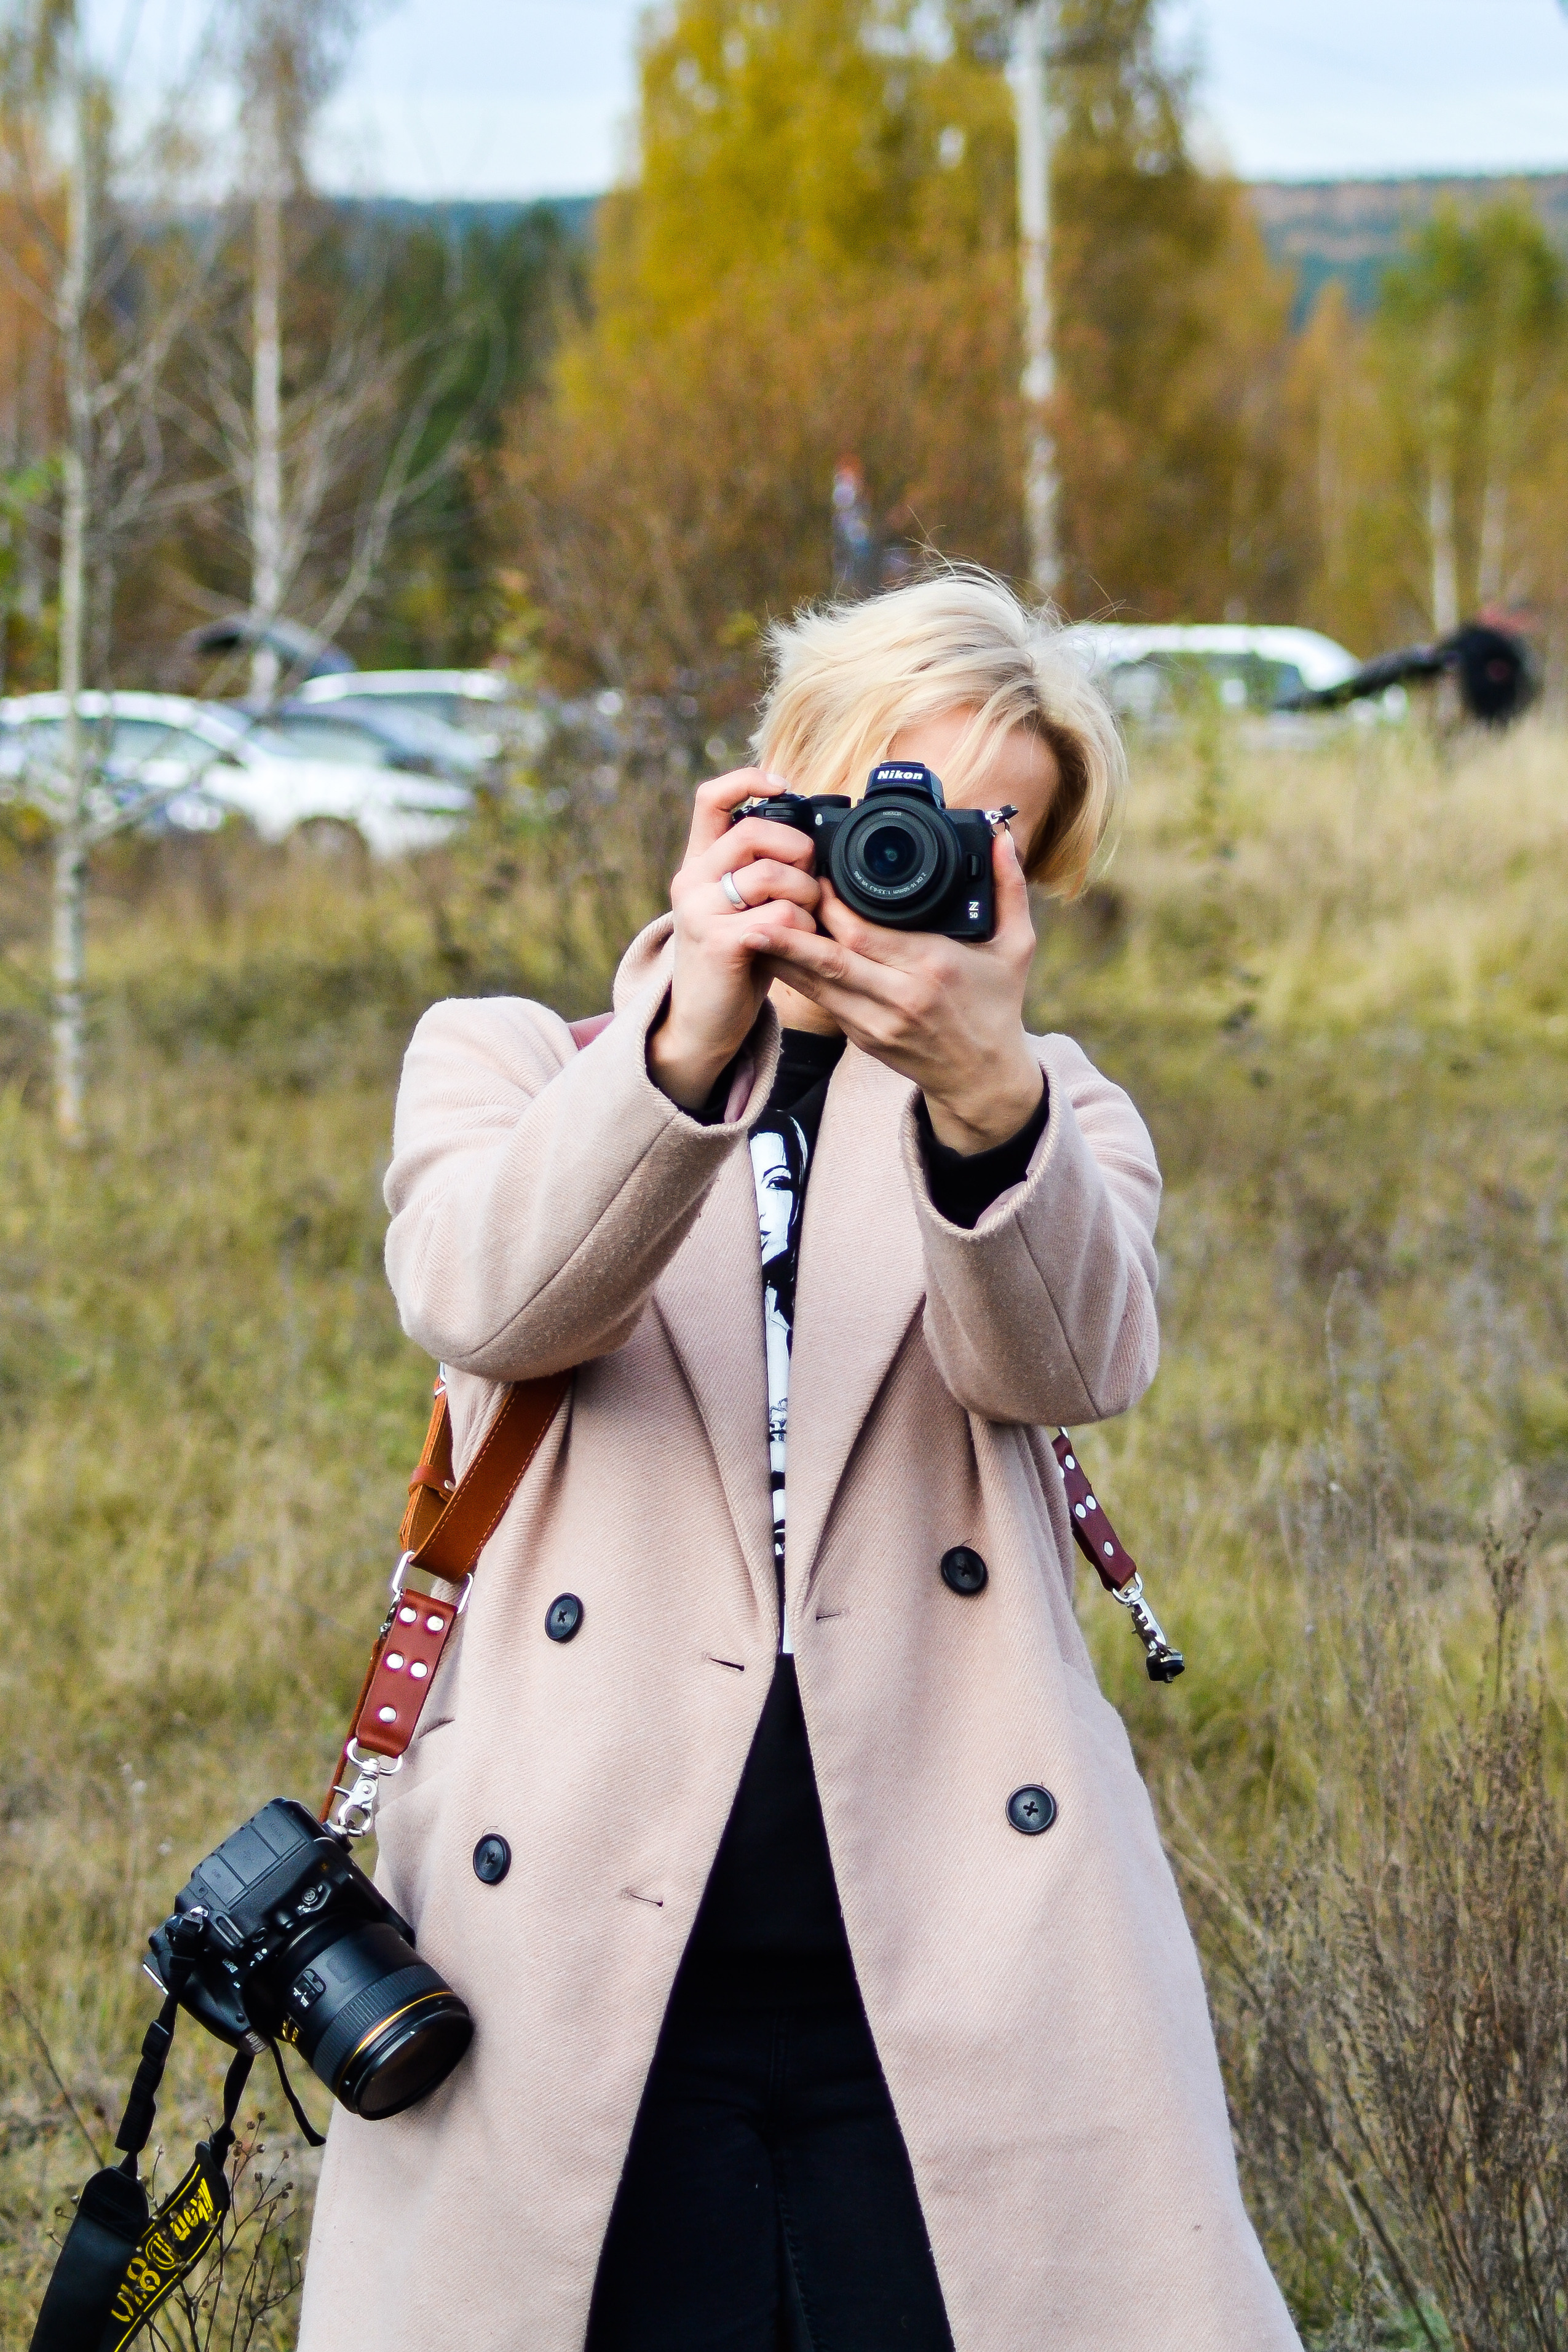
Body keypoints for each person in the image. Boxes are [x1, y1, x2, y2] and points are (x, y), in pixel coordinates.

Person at [298, 569, 1301, 2352]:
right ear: (781, 782)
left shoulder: (1058, 1115)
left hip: (959, 1974)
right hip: (572, 1987)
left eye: (992, 831)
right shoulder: (514, 1059)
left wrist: (986, 1098)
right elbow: (490, 1302)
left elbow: (1067, 1360)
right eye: (893, 799)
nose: (923, 855)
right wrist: (690, 1036)